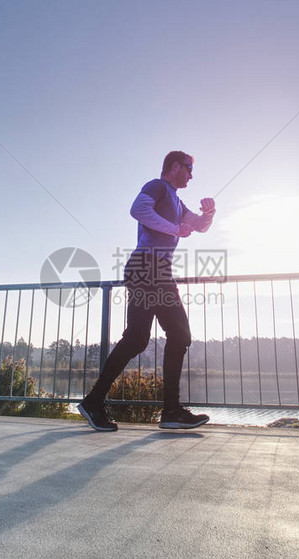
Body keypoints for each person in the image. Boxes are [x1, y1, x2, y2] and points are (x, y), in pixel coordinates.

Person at [78, 151, 216, 431]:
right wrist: (174, 229)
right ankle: (170, 410)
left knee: (142, 339)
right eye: (189, 168)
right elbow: (137, 210)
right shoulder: (157, 186)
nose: (191, 174)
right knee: (169, 335)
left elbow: (199, 226)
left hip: (156, 270)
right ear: (174, 166)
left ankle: (99, 402)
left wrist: (209, 212)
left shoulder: (176, 200)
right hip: (146, 266)